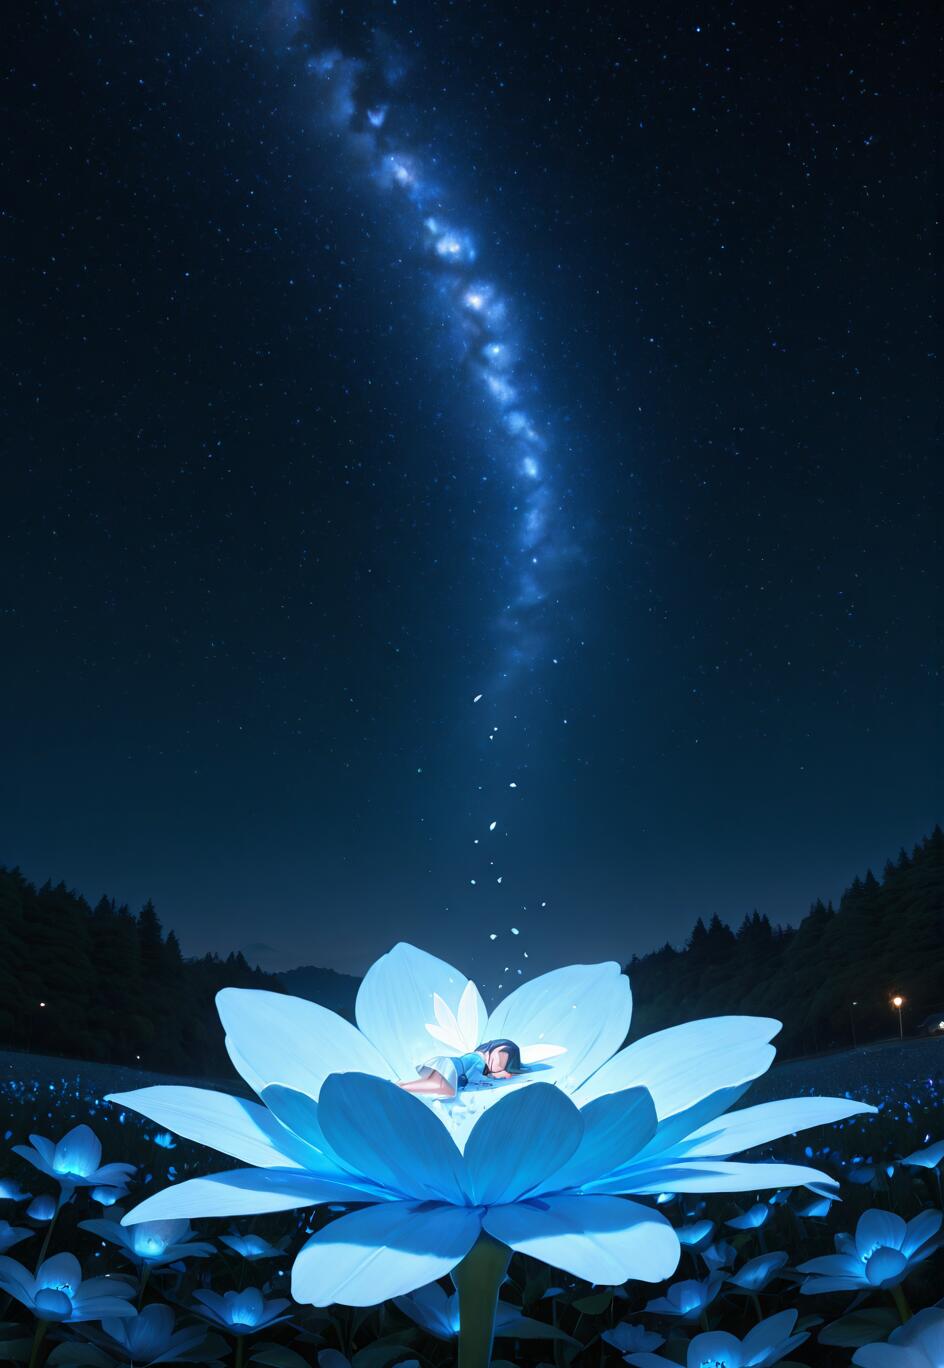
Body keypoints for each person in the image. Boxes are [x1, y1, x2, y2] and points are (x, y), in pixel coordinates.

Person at [397, 1038, 523, 1098]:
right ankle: (401, 1087)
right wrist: (489, 1084)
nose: (497, 1065)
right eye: (499, 1058)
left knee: (433, 1086)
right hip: (450, 1068)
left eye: (501, 1065)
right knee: (442, 1088)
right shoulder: (479, 1060)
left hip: (446, 1066)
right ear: (493, 1047)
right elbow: (474, 1080)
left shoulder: (478, 1059)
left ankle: (402, 1086)